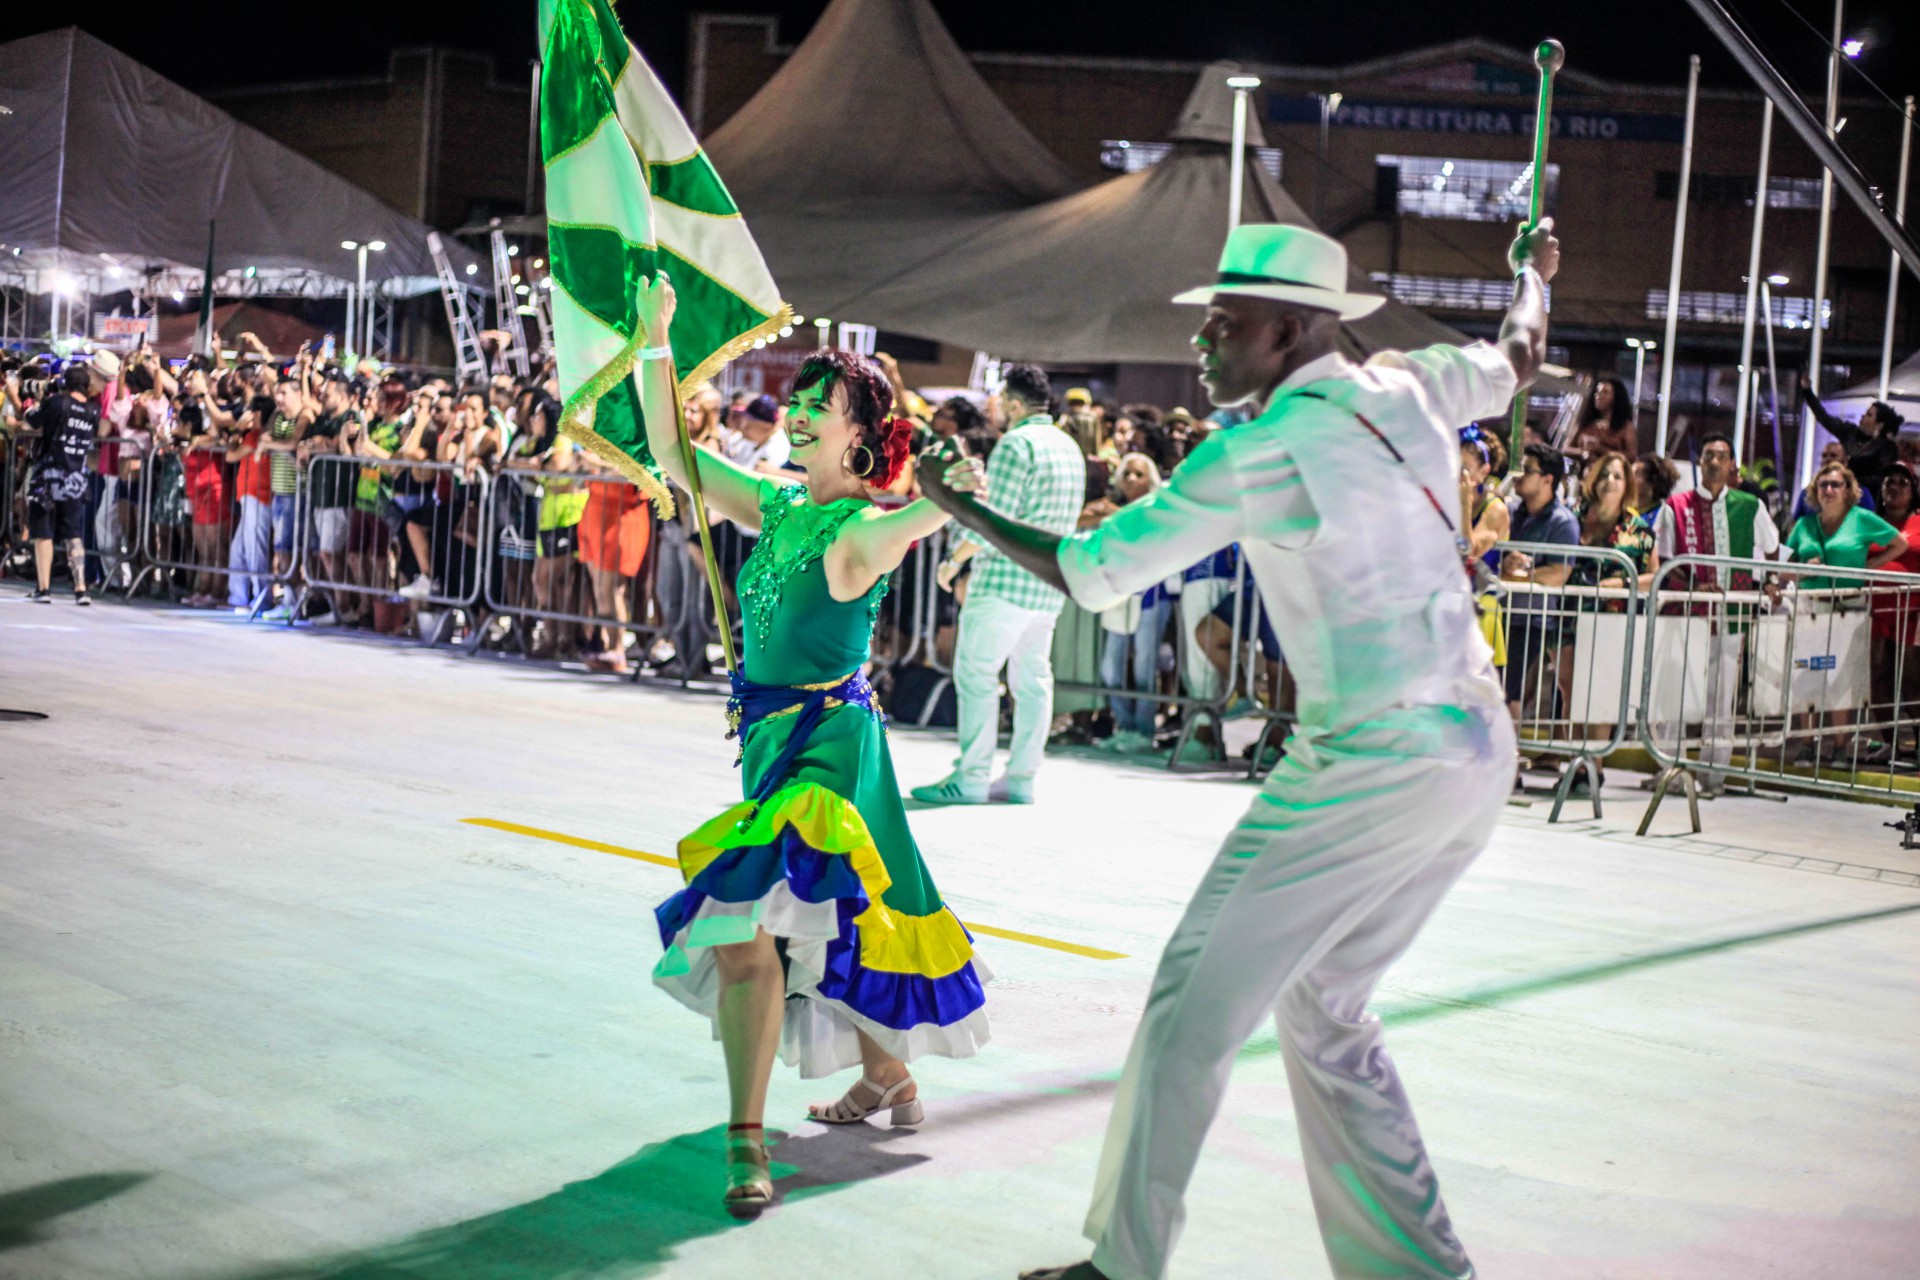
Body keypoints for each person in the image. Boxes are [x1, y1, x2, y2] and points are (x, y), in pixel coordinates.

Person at [919, 217, 1557, 1280]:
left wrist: (959, 503)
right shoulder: (1416, 384)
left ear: (1295, 330)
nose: (1206, 339)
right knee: (1326, 1007)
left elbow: (1089, 570)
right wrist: (1532, 275)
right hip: (1476, 749)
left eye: (1229, 321)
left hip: (1368, 758)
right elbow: (1522, 353)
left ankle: (1122, 1263)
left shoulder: (1262, 451)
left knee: (1192, 997)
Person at [632, 275, 990, 1218]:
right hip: (768, 739)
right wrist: (653, 338)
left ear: (860, 438)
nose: (795, 413)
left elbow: (917, 519)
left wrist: (953, 500)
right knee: (841, 923)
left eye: (817, 407)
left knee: (751, 926)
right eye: (796, 399)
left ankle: (745, 1144)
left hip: (834, 748)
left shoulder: (860, 529)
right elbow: (671, 446)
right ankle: (893, 1084)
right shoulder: (777, 505)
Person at [915, 363, 1085, 805]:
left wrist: (954, 560)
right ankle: (1022, 778)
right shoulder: (1069, 446)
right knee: (1032, 681)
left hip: (1004, 580)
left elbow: (993, 519)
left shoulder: (1018, 444)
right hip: (1048, 583)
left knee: (976, 676)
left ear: (1012, 402)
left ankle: (970, 778)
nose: (994, 408)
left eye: (998, 399)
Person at [1650, 431, 1784, 795]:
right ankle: (1670, 769)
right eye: (1707, 455)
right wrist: (1692, 590)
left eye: (1720, 456)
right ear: (1700, 462)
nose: (1712, 461)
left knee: (1720, 696)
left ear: (1731, 465)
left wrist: (1769, 580)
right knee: (1674, 692)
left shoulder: (1749, 506)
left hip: (1731, 616)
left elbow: (1773, 549)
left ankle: (1713, 776)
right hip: (1685, 616)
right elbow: (1667, 561)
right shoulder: (1675, 507)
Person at [1782, 461, 1907, 764]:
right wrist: (1801, 570)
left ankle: (1840, 746)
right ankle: (1808, 744)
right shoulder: (1804, 525)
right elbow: (1783, 569)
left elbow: (1899, 543)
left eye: (1835, 484)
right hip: (1812, 608)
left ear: (1848, 490)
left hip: (1849, 609)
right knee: (1807, 678)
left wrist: (1869, 569)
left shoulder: (1862, 518)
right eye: (1823, 485)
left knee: (1842, 681)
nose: (1828, 490)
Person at [1500, 443, 1580, 753]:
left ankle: (1510, 761)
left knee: (1512, 692)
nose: (1518, 475)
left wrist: (1521, 575)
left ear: (1548, 479)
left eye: (1527, 470)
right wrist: (1506, 566)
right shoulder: (1509, 512)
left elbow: (1560, 573)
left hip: (1531, 619)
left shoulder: (1562, 522)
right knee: (1499, 690)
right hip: (1500, 613)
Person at [24, 350, 118, 604]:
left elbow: (33, 420)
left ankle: (43, 589)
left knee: (43, 533)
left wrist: (38, 401)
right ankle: (81, 589)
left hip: (48, 477)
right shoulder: (93, 411)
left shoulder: (57, 403)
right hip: (75, 479)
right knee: (72, 534)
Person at [1800, 372, 1902, 495]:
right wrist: (1808, 392)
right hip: (1841, 492)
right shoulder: (1850, 433)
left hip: (1867, 496)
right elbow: (1824, 418)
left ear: (1879, 424)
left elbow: (1883, 477)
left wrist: (1853, 481)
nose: (1863, 416)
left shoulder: (1886, 448)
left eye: (1869, 415)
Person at [1568, 373, 1636, 461]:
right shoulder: (1586, 422)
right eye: (1597, 391)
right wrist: (1583, 453)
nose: (1598, 396)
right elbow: (1566, 448)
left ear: (1616, 398)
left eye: (1605, 392)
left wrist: (1601, 449)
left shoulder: (1625, 427)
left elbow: (1631, 455)